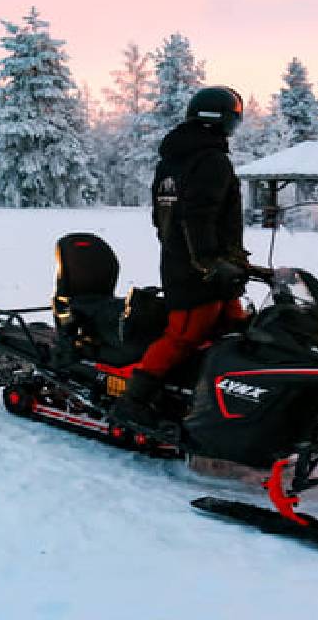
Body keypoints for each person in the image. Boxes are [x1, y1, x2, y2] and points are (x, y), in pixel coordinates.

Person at [111, 86, 250, 434]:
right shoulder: (210, 160)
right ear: (216, 119)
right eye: (233, 118)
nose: (235, 126)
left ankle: (219, 400)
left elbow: (163, 217)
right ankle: (134, 401)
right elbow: (196, 216)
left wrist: (232, 260)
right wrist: (209, 263)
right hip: (199, 272)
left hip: (197, 265)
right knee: (183, 335)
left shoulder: (173, 161)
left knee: (237, 328)